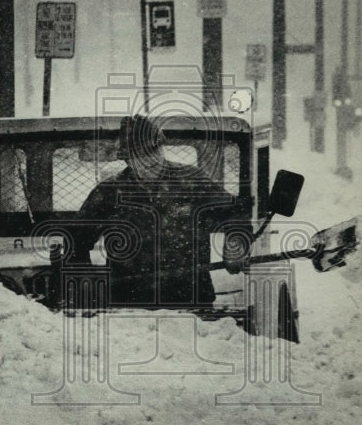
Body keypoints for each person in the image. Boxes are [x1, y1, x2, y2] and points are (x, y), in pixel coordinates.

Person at [72, 115, 250, 309]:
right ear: (127, 160)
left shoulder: (192, 181)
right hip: (129, 302)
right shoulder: (109, 192)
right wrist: (85, 280)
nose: (151, 161)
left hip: (191, 297)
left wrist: (236, 243)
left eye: (154, 153)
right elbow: (76, 240)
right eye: (141, 158)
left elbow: (235, 212)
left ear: (161, 147)